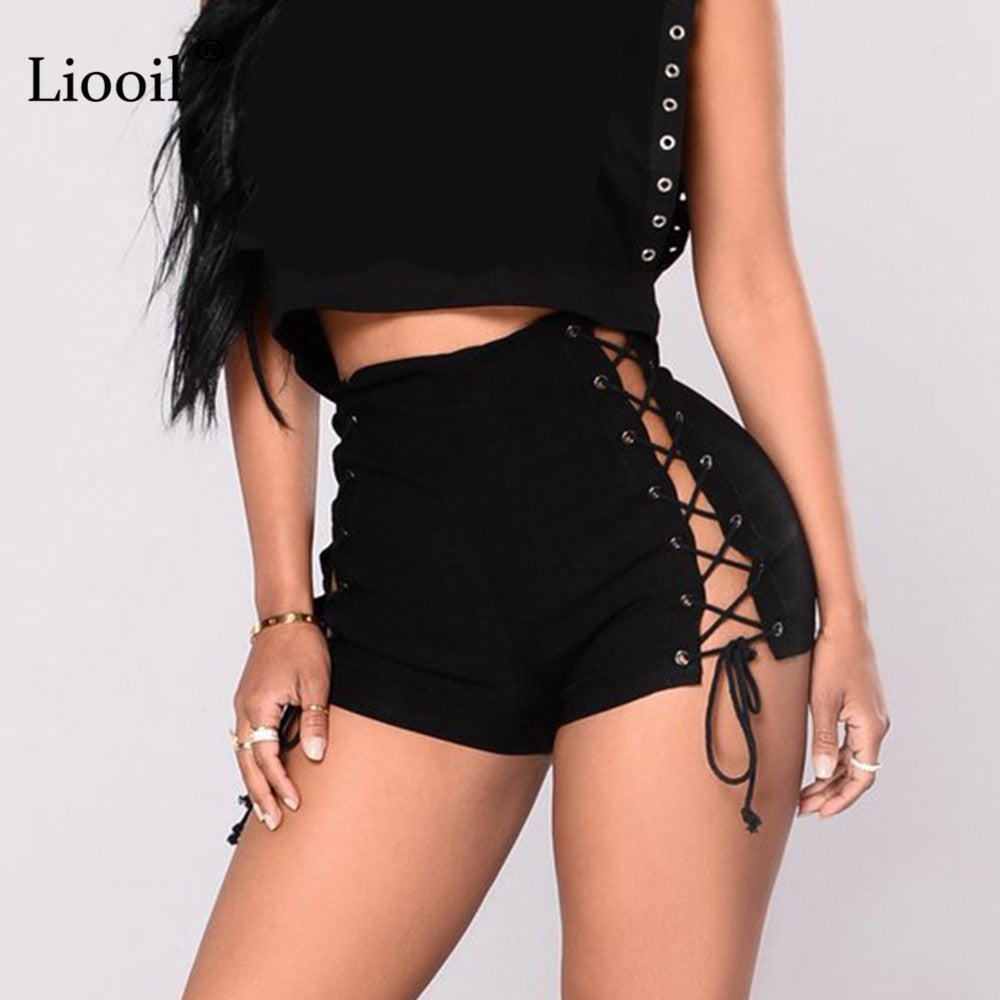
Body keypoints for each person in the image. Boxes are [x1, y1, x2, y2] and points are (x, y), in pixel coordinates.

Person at [149, 0, 891, 996]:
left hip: (665, 571)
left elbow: (753, 280)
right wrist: (281, 610)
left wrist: (847, 616)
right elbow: (251, 301)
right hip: (404, 592)